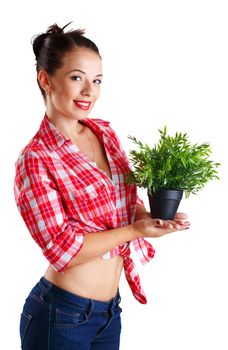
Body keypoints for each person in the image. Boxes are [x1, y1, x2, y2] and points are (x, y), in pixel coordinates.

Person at [14, 22, 190, 350]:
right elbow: (63, 248)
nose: (89, 91)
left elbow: (122, 205)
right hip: (61, 316)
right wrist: (137, 230)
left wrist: (156, 218)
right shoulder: (36, 159)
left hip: (109, 313)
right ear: (45, 79)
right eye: (77, 77)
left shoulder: (105, 135)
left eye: (96, 81)